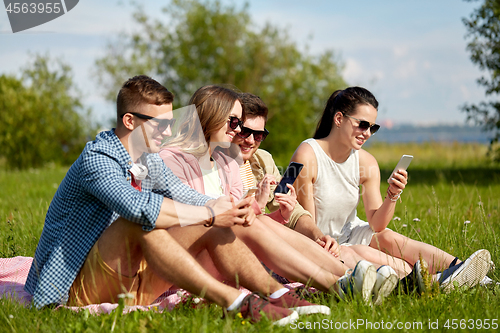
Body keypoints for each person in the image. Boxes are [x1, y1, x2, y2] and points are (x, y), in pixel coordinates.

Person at [24, 75, 312, 325]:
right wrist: (210, 214)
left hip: (131, 282)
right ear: (129, 121)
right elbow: (138, 209)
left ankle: (279, 295)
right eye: (159, 124)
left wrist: (227, 209)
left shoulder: (150, 160)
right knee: (138, 222)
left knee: (210, 222)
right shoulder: (97, 160)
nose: (168, 130)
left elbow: (189, 197)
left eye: (170, 121)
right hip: (72, 288)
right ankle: (236, 302)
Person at [159, 85, 395, 305]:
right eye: (235, 123)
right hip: (185, 257)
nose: (243, 134)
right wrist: (255, 208)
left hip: (226, 248)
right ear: (210, 116)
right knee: (359, 248)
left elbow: (247, 220)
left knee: (377, 243)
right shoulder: (172, 159)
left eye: (259, 134)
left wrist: (276, 213)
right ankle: (341, 283)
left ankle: (351, 279)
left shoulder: (232, 162)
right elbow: (189, 216)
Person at [290, 86, 491, 292]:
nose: (367, 133)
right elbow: (305, 224)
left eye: (372, 128)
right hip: (317, 241)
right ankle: (430, 282)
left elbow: (377, 224)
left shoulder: (366, 162)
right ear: (339, 119)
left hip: (349, 234)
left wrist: (392, 195)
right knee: (364, 252)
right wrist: (329, 245)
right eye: (362, 125)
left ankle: (465, 271)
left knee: (387, 236)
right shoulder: (307, 155)